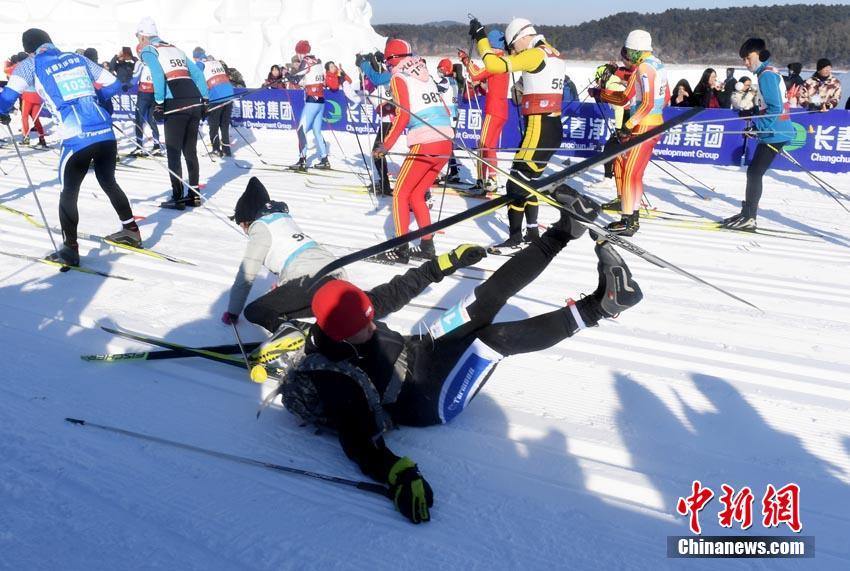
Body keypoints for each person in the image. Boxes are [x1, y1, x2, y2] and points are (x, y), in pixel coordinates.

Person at [267, 186, 643, 524]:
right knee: (491, 341)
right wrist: (398, 472)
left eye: (370, 318)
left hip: (419, 353)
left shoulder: (350, 315)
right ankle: (603, 307)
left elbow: (396, 292)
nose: (372, 325)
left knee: (485, 300)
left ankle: (565, 230)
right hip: (424, 398)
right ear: (341, 337)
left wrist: (443, 264)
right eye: (364, 328)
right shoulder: (335, 379)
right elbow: (358, 442)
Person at [0, 28, 142, 266]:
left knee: (69, 193)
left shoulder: (30, 64)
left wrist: (2, 112)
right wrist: (97, 98)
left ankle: (70, 249)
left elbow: (7, 97)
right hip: (105, 132)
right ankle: (132, 231)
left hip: (77, 137)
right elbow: (115, 84)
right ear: (50, 41)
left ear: (28, 49)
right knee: (108, 181)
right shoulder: (78, 57)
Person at [469, 16, 566, 248]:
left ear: (522, 38)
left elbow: (494, 66)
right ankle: (531, 234)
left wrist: (481, 36)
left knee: (515, 184)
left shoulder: (535, 53)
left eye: (513, 46)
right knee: (528, 183)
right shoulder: (553, 52)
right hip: (550, 127)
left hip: (539, 127)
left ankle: (514, 239)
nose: (513, 51)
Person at [222, 177, 347, 333]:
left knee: (255, 311)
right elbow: (293, 253)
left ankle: (301, 335)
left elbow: (246, 274)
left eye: (242, 225)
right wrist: (285, 285)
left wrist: (233, 312)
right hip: (335, 274)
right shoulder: (284, 220)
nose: (244, 230)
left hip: (309, 280)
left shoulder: (260, 228)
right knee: (289, 304)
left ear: (248, 220)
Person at [370, 38, 454, 264]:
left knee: (400, 194)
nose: (388, 68)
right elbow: (442, 107)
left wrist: (385, 145)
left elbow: (404, 115)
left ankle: (400, 249)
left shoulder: (399, 76)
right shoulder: (423, 70)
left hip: (425, 141)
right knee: (417, 194)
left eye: (388, 63)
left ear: (392, 59)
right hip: (445, 140)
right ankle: (427, 246)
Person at [591, 30, 669, 236]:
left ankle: (627, 220)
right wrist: (601, 93)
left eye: (628, 52)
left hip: (644, 126)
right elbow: (626, 98)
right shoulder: (657, 64)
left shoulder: (644, 67)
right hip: (654, 124)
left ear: (636, 50)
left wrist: (629, 125)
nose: (626, 56)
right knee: (633, 173)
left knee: (628, 174)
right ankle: (632, 218)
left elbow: (647, 103)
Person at [720, 38, 794, 230]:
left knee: (754, 172)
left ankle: (750, 216)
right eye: (743, 59)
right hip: (774, 130)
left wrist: (757, 126)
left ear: (760, 55)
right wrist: (754, 119)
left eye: (748, 58)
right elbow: (768, 106)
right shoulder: (767, 73)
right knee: (754, 172)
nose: (746, 63)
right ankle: (747, 213)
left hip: (775, 131)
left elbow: (775, 108)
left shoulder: (766, 76)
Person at [137, 17, 209, 210]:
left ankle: (177, 197)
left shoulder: (149, 50)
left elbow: (158, 75)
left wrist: (159, 104)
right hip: (194, 99)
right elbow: (198, 74)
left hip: (175, 101)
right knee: (190, 151)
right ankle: (194, 195)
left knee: (174, 152)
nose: (138, 41)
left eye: (138, 36)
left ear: (143, 36)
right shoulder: (174, 48)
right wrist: (205, 99)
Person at [460, 28, 510, 195]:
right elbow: (491, 87)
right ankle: (492, 179)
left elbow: (475, 74)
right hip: (501, 109)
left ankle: (482, 181)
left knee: (482, 146)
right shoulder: (503, 61)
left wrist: (466, 60)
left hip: (493, 109)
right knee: (490, 146)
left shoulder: (495, 61)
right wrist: (481, 87)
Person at [587, 62, 632, 195]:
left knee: (609, 150)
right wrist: (598, 95)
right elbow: (610, 99)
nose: (598, 82)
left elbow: (619, 106)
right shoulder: (613, 83)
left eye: (598, 79)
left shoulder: (612, 84)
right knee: (611, 150)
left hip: (626, 121)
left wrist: (619, 129)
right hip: (627, 120)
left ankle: (610, 180)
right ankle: (611, 179)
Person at [289, 40, 330, 172]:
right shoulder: (317, 61)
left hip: (312, 100)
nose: (298, 56)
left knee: (301, 130)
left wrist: (287, 75)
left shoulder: (306, 61)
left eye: (298, 52)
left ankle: (302, 161)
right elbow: (306, 79)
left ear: (300, 52)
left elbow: (296, 79)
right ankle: (324, 160)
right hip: (320, 100)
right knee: (317, 131)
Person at [358, 50, 395, 195]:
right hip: (387, 121)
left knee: (377, 153)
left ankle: (385, 185)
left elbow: (357, 98)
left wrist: (365, 64)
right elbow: (380, 72)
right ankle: (384, 183)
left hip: (389, 121)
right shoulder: (382, 78)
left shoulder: (375, 80)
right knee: (378, 154)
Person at [192, 47, 235, 158]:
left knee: (214, 125)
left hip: (216, 97)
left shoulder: (200, 64)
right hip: (229, 95)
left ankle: (216, 150)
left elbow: (195, 79)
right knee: (224, 125)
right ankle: (226, 150)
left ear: (196, 57)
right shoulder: (216, 62)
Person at [129, 43, 164, 157]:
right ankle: (157, 146)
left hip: (143, 93)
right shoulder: (157, 62)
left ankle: (139, 146)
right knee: (151, 120)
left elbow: (134, 78)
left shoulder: (140, 63)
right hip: (154, 94)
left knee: (139, 119)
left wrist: (125, 85)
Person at [433, 57, 462, 186]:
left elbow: (437, 89)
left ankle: (436, 172)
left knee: (440, 146)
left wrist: (430, 82)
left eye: (440, 69)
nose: (439, 72)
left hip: (447, 118)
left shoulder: (446, 81)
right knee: (448, 147)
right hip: (453, 117)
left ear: (445, 70)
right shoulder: (454, 81)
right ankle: (454, 172)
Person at [13, 53, 48, 148]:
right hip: (38, 96)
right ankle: (42, 139)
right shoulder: (36, 65)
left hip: (28, 96)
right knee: (35, 118)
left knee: (24, 117)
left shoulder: (21, 67)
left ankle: (26, 138)